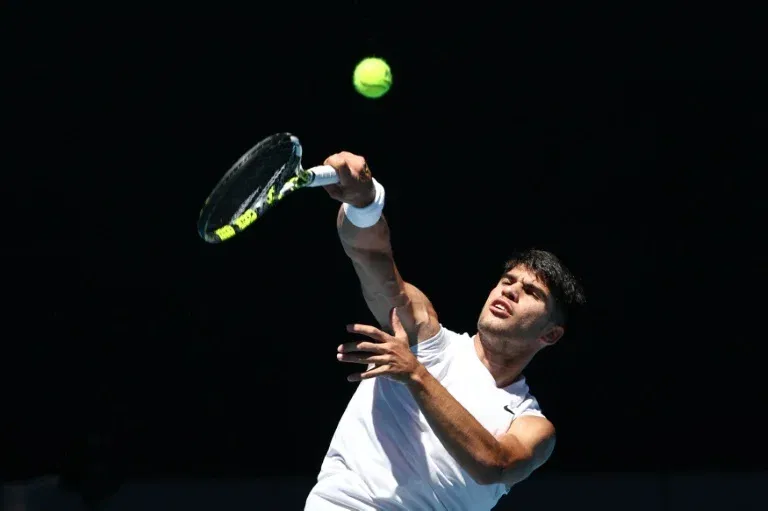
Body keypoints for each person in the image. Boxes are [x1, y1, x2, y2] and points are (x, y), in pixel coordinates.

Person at [305, 152, 586, 510]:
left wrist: (415, 373)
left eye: (531, 292)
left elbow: (495, 465)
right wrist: (365, 205)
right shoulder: (423, 334)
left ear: (550, 335)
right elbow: (370, 257)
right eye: (507, 280)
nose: (510, 290)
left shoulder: (531, 424)